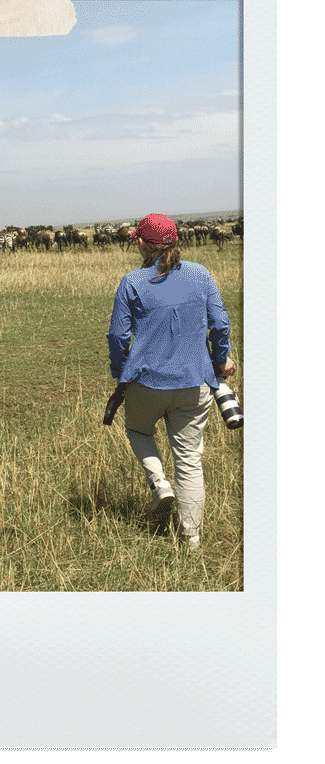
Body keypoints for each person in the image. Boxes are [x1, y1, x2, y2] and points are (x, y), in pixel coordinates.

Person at [106, 214, 236, 550]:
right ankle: (191, 539)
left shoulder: (131, 281)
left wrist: (120, 371)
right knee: (190, 459)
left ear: (140, 243)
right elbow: (221, 324)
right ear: (175, 241)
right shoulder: (200, 274)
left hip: (146, 381)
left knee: (138, 430)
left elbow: (118, 336)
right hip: (195, 381)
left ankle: (159, 483)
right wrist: (222, 359)